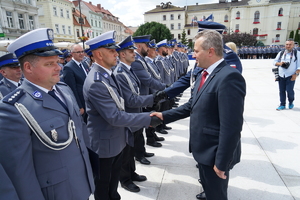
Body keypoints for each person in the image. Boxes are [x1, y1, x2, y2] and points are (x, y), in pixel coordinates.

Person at [0, 28, 95, 200]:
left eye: (57, 62)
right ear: (28, 67)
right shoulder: (14, 109)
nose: (59, 67)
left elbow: (79, 133)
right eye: (49, 64)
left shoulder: (64, 90)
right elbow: (21, 174)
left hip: (82, 183)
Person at [151, 30, 246, 200]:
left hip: (214, 154)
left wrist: (221, 163)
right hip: (203, 151)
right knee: (210, 192)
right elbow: (191, 105)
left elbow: (231, 127)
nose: (193, 55)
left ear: (210, 51)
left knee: (216, 195)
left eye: (196, 51)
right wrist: (164, 115)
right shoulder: (205, 73)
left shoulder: (229, 77)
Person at [83, 31, 162, 200]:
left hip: (116, 139)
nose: (115, 54)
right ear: (98, 54)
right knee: (104, 187)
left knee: (113, 187)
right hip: (105, 145)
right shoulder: (97, 81)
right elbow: (114, 116)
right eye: (111, 51)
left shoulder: (107, 75)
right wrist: (148, 118)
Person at [114, 36, 165, 192]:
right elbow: (130, 100)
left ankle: (132, 172)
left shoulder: (128, 70)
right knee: (126, 151)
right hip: (129, 117)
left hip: (135, 116)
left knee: (132, 148)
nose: (134, 53)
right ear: (122, 54)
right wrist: (153, 97)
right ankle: (125, 180)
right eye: (130, 51)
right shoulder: (120, 72)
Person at [162, 21, 242, 101]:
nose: (194, 55)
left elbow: (227, 92)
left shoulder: (229, 56)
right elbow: (192, 76)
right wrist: (164, 94)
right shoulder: (204, 53)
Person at [132, 35, 167, 148]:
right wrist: (165, 87)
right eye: (147, 46)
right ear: (139, 46)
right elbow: (147, 80)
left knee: (148, 122)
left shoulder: (141, 59)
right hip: (142, 97)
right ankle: (141, 151)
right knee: (139, 128)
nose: (149, 48)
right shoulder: (137, 61)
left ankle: (148, 142)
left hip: (147, 95)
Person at [63, 44, 90, 122]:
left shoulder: (84, 64)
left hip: (89, 99)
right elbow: (71, 89)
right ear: (72, 54)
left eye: (82, 51)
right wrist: (79, 106)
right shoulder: (68, 67)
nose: (81, 54)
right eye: (78, 52)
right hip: (81, 102)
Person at [273, 39, 300, 110]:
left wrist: (296, 74)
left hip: (291, 75)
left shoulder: (297, 53)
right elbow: (274, 62)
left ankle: (291, 101)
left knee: (289, 90)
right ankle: (282, 104)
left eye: (290, 44)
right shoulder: (281, 53)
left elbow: (299, 65)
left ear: (293, 45)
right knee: (281, 91)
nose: (288, 46)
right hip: (281, 75)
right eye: (287, 44)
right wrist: (280, 63)